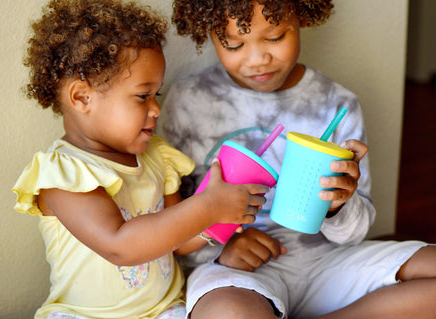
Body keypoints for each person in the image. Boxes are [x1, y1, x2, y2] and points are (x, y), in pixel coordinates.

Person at [159, 0, 436, 318]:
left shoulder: (337, 103)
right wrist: (221, 251)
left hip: (327, 262)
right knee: (228, 314)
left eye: (275, 37)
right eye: (234, 44)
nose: (258, 59)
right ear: (208, 31)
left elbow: (354, 234)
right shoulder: (188, 103)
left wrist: (338, 206)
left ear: (301, 17)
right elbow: (167, 225)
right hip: (236, 272)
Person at [12, 1, 270, 318]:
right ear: (82, 97)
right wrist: (207, 206)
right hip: (85, 314)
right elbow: (120, 246)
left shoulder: (156, 157)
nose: (156, 110)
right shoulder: (63, 173)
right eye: (142, 95)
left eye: (156, 95)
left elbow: (176, 240)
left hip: (164, 309)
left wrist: (218, 218)